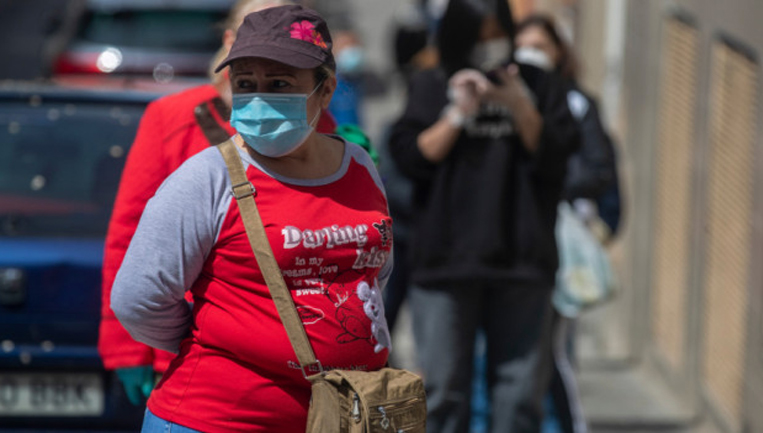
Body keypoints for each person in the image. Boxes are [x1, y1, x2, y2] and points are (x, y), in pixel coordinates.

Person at [111, 5, 393, 432]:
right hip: (216, 419)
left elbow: (373, 270)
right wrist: (223, 338)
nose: (259, 98)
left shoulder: (358, 164)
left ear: (326, 89)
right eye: (245, 83)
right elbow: (137, 298)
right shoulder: (206, 178)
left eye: (279, 83)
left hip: (335, 418)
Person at [387, 0, 580, 432]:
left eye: (498, 33)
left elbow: (557, 155)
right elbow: (410, 157)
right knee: (441, 395)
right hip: (444, 261)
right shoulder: (432, 84)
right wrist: (459, 114)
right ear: (460, 34)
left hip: (522, 261)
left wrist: (518, 104)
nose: (490, 44)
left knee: (518, 397)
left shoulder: (538, 84)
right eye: (481, 34)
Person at [514, 13, 621, 433]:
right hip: (509, 248)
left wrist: (549, 182)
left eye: (541, 47)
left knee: (551, 352)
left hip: (557, 244)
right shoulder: (502, 100)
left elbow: (599, 168)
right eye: (524, 46)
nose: (531, 55)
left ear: (559, 53)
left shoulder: (577, 103)